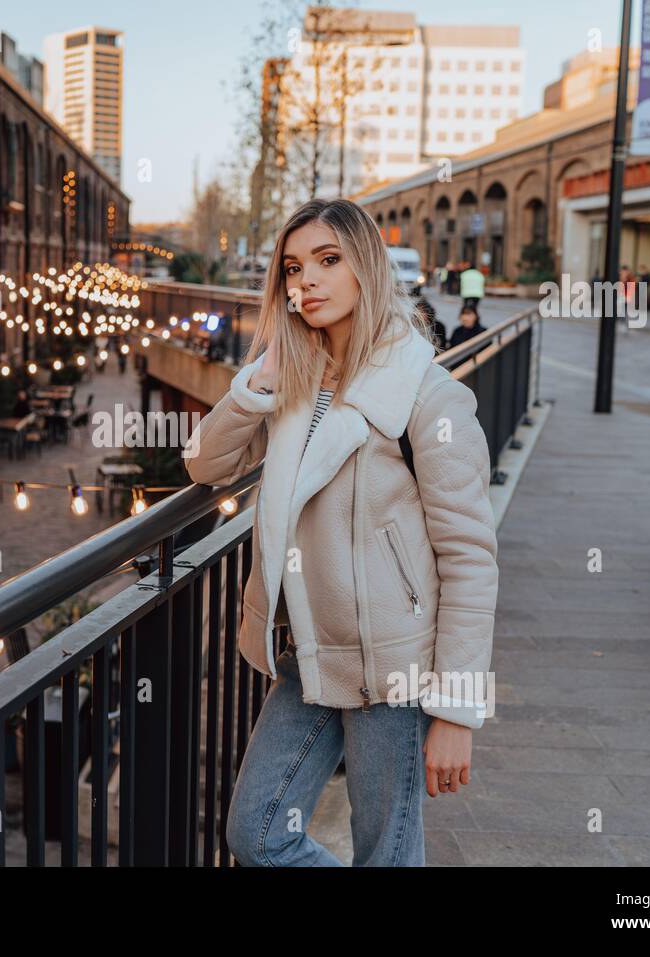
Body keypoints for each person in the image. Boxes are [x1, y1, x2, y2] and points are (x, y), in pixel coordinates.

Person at [185, 198, 498, 867]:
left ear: (367, 269)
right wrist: (257, 383)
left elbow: (470, 557)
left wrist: (457, 711)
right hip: (310, 655)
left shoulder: (426, 395)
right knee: (257, 832)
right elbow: (204, 462)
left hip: (395, 671)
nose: (308, 282)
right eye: (294, 268)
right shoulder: (293, 382)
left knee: (385, 851)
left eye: (329, 260)